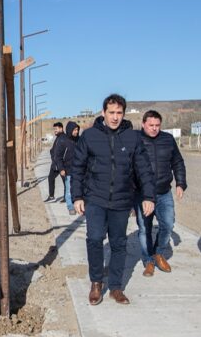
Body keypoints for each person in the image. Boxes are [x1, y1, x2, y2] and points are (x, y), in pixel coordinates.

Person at [70, 94, 155, 305]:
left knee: (119, 244)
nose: (115, 117)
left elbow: (143, 169)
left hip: (121, 201)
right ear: (103, 113)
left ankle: (116, 287)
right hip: (96, 199)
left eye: (119, 113)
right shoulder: (89, 136)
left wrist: (148, 196)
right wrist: (77, 196)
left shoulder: (132, 137)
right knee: (95, 239)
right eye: (111, 113)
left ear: (123, 114)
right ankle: (96, 283)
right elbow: (77, 168)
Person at [135, 110, 188, 277]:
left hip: (164, 192)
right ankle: (148, 261)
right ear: (143, 124)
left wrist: (180, 183)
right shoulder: (135, 140)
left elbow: (177, 162)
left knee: (168, 224)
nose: (154, 128)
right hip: (142, 194)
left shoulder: (168, 139)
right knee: (145, 229)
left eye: (157, 125)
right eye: (151, 125)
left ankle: (158, 253)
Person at [56, 121, 80, 215]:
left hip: (79, 170)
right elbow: (58, 157)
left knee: (79, 188)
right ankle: (70, 206)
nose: (76, 132)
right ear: (70, 130)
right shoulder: (63, 141)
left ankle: (79, 205)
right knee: (69, 189)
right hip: (68, 170)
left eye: (77, 130)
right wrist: (61, 168)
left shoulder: (79, 140)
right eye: (74, 130)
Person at [45, 122, 65, 202]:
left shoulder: (64, 138)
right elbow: (53, 150)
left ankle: (66, 197)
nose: (55, 131)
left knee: (65, 181)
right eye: (54, 129)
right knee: (50, 178)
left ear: (61, 128)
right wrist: (52, 155)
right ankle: (51, 196)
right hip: (55, 164)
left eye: (56, 129)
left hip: (62, 164)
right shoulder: (57, 138)